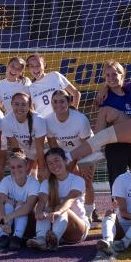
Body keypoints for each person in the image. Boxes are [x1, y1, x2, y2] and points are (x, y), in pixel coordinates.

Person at [44, 89, 96, 220]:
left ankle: (89, 214)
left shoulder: (80, 119)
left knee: (87, 180)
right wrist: (60, 162)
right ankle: (63, 209)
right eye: (55, 102)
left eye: (62, 101)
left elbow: (87, 145)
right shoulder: (49, 120)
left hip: (86, 149)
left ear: (68, 102)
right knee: (62, 178)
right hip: (66, 153)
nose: (58, 105)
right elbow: (52, 145)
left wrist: (84, 164)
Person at [28, 147, 89, 250]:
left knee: (63, 210)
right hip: (55, 224)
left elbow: (69, 200)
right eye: (50, 163)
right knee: (45, 210)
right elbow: (42, 201)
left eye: (57, 160)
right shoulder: (46, 183)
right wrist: (38, 212)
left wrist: (59, 211)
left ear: (65, 161)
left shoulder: (77, 180)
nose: (54, 165)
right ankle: (41, 239)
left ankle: (54, 239)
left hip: (77, 229)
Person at [94, 60, 131, 189]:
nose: (111, 78)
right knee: (118, 183)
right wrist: (105, 88)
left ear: (122, 75)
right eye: (108, 75)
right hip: (116, 145)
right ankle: (95, 147)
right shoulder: (105, 97)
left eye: (114, 74)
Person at [0, 151, 38, 250]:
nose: (16, 170)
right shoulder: (6, 180)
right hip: (8, 223)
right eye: (12, 167)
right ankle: (3, 235)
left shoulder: (34, 183)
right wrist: (3, 222)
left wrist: (8, 217)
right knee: (8, 204)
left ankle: (17, 237)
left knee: (21, 205)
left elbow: (28, 208)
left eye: (19, 166)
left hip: (29, 223)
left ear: (27, 166)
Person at [0, 92, 47, 178]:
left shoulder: (38, 120)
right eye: (16, 104)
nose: (20, 108)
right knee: (21, 173)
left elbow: (39, 148)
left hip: (37, 149)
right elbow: (15, 148)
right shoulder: (6, 121)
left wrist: (42, 168)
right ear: (11, 104)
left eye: (23, 104)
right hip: (22, 149)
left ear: (29, 106)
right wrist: (20, 163)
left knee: (40, 174)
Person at [26, 53, 80, 118]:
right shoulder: (30, 88)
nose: (35, 68)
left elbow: (76, 93)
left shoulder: (55, 76)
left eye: (38, 65)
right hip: (45, 125)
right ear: (28, 68)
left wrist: (73, 114)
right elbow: (33, 111)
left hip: (62, 121)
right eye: (32, 66)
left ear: (44, 65)